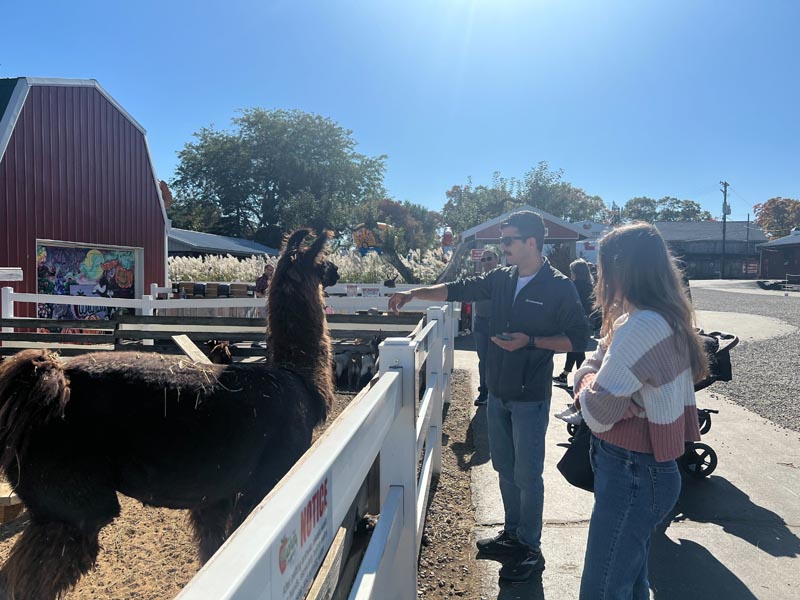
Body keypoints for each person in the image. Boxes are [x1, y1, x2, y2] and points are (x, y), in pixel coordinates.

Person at [389, 210, 588, 582]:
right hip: (497, 393)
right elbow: (458, 289)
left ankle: (530, 548)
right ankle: (512, 534)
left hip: (531, 397)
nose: (503, 247)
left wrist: (530, 342)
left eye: (508, 240)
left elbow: (579, 338)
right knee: (504, 469)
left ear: (531, 242)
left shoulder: (559, 286)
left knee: (528, 475)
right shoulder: (501, 277)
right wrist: (414, 292)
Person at [572, 222, 708, 599]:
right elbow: (601, 367)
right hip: (646, 471)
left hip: (630, 470)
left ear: (618, 268)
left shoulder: (640, 326)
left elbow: (597, 411)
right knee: (630, 583)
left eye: (601, 268)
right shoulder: (663, 317)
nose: (599, 277)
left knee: (601, 589)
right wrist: (599, 377)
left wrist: (582, 380)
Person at [553, 259, 595, 387]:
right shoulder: (590, 286)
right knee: (576, 349)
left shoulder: (573, 285)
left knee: (576, 350)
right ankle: (565, 375)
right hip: (587, 322)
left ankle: (581, 382)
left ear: (574, 272)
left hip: (574, 321)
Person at [472, 249, 499, 406]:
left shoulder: (506, 277)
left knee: (497, 359)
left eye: (489, 258)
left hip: (498, 324)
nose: (486, 262)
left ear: (496, 259)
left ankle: (497, 393)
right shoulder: (479, 280)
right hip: (480, 323)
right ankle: (484, 392)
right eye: (483, 260)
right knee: (483, 360)